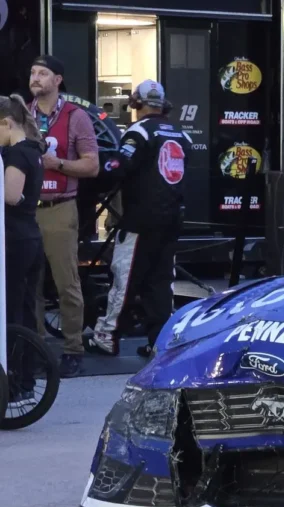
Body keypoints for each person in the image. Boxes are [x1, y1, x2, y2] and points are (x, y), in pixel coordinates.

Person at [85, 80, 191, 358]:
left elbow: (118, 166)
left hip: (140, 221)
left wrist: (94, 169)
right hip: (172, 220)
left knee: (125, 278)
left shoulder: (139, 131)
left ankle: (107, 336)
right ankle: (160, 343)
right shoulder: (181, 134)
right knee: (161, 283)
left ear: (136, 103)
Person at [27, 55, 98, 377]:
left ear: (58, 80)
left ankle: (73, 349)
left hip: (59, 208)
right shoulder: (20, 114)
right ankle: (34, 348)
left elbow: (92, 165)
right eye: (32, 72)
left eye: (43, 73)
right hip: (24, 208)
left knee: (66, 283)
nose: (35, 77)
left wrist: (59, 165)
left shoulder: (75, 116)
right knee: (29, 284)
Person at [1, 94, 46, 405]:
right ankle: (26, 380)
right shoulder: (34, 151)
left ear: (7, 123)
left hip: (15, 238)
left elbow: (11, 196)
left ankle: (15, 383)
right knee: (27, 312)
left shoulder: (17, 155)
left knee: (12, 313)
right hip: (30, 235)